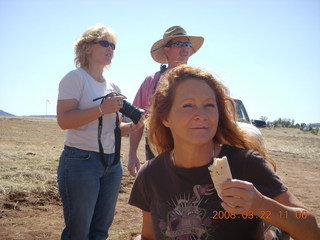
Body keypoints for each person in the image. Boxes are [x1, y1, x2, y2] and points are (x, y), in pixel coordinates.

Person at [128, 65, 320, 240]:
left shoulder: (246, 164)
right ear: (166, 117)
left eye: (209, 105)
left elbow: (310, 230)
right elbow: (148, 236)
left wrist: (262, 206)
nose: (201, 114)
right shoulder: (151, 174)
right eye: (188, 105)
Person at [57, 23, 141, 240]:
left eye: (113, 46)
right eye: (105, 43)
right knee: (79, 232)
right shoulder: (75, 78)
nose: (110, 49)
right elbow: (64, 120)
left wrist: (133, 127)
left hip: (112, 166)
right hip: (81, 161)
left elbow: (115, 129)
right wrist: (101, 109)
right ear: (87, 46)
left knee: (100, 231)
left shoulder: (114, 86)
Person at [128, 26, 204, 177]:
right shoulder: (151, 81)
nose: (185, 49)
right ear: (166, 50)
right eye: (179, 44)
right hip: (156, 152)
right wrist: (132, 155)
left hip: (192, 152)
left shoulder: (200, 80)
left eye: (187, 45)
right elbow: (138, 121)